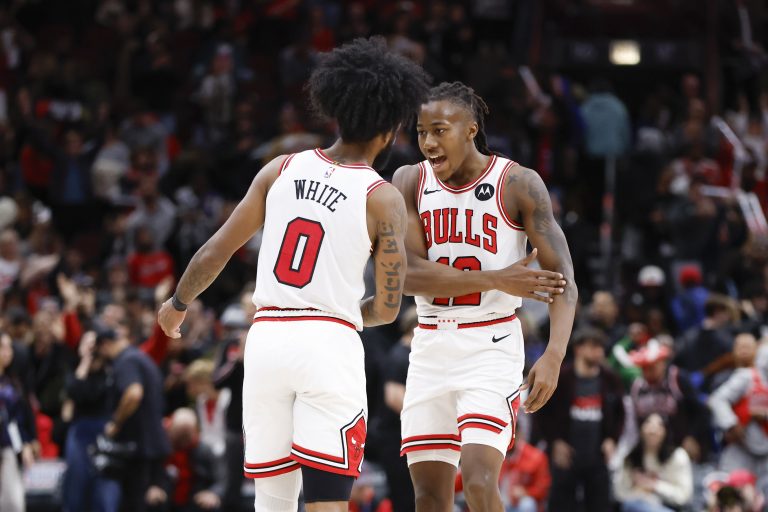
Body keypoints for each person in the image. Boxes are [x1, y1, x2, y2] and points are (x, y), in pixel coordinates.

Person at [158, 37, 430, 512]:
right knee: (327, 503)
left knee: (272, 500)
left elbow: (216, 249)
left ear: (336, 112)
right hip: (328, 343)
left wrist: (176, 304)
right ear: (390, 128)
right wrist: (337, 313)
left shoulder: (280, 169)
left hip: (264, 342)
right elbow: (388, 307)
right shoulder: (381, 197)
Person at [391, 81, 576, 511]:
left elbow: (563, 278)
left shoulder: (518, 184)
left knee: (476, 480)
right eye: (421, 132)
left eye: (439, 130)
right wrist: (496, 279)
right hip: (430, 345)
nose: (428, 143)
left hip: (490, 346)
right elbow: (407, 275)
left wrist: (553, 355)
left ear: (471, 128)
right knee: (429, 496)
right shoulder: (408, 180)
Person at [96, 324, 171, 512]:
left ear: (105, 345)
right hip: (152, 445)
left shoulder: (126, 361)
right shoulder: (139, 357)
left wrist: (116, 421)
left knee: (137, 504)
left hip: (139, 448)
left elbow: (133, 393)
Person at [613, 413, 693, 512]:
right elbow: (620, 493)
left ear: (665, 431)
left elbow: (683, 497)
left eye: (659, 426)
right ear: (641, 429)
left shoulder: (677, 456)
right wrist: (641, 492)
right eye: (649, 425)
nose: (653, 431)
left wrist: (654, 485)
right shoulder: (631, 457)